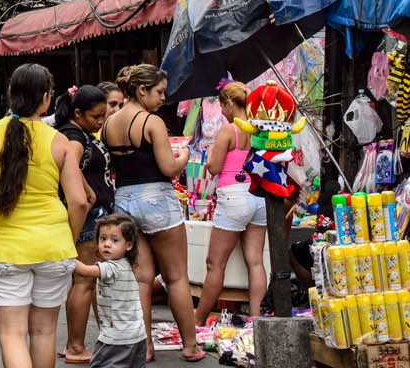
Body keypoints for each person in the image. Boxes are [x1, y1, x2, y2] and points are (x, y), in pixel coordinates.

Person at [0, 63, 89, 368]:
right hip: (54, 247)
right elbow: (79, 202)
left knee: (12, 335)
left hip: (6, 250)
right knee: (44, 333)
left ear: (11, 93)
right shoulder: (59, 141)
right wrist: (69, 241)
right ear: (47, 98)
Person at [102, 64, 199, 362]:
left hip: (125, 200)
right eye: (159, 92)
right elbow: (169, 168)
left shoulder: (108, 123)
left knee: (141, 279)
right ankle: (190, 345)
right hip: (156, 199)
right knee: (177, 277)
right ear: (141, 90)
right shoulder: (152, 122)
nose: (162, 98)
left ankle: (145, 347)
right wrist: (184, 155)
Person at [193, 82, 267, 326]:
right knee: (255, 262)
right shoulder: (261, 129)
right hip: (259, 195)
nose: (221, 111)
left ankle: (198, 319)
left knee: (215, 264)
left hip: (233, 196)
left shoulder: (228, 131)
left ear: (228, 103)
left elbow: (214, 168)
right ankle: (258, 320)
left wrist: (213, 151)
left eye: (222, 105)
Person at [54, 85, 114, 364]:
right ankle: (75, 347)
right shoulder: (75, 136)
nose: (101, 121)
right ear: (78, 113)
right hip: (88, 215)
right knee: (84, 280)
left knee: (85, 280)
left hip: (91, 213)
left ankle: (77, 343)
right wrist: (88, 192)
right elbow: (71, 166)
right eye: (96, 116)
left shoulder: (77, 132)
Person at [72, 214, 146, 368]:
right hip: (137, 335)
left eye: (114, 240)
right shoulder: (126, 264)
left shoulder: (112, 267)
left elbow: (84, 270)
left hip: (116, 338)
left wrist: (63, 255)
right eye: (102, 239)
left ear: (129, 245)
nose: (107, 244)